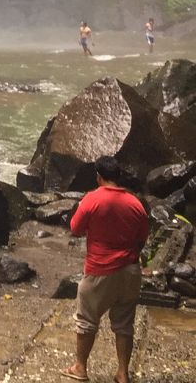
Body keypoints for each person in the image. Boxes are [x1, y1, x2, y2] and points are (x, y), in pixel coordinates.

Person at [62, 155, 148, 383]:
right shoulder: (135, 203)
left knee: (87, 320)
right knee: (124, 323)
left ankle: (80, 368)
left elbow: (75, 229)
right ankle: (122, 373)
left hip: (100, 268)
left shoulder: (92, 199)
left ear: (98, 176)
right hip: (130, 270)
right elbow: (142, 238)